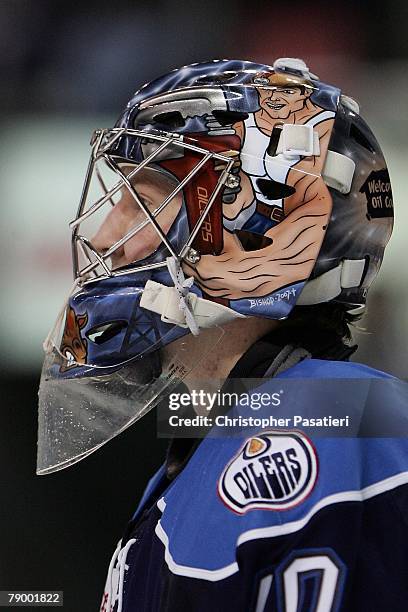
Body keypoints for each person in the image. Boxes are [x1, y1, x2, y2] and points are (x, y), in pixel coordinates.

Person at [37, 58, 408, 611]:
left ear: (258, 227)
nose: (106, 234)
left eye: (145, 199)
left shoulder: (337, 422)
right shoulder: (203, 450)